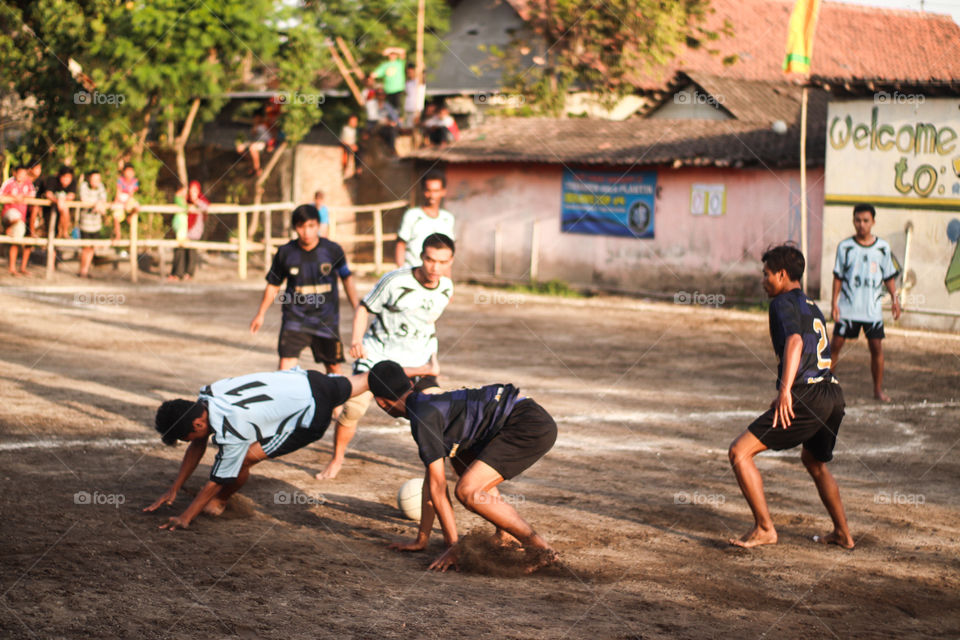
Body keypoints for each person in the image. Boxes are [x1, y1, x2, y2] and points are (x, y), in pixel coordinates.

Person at [371, 360, 559, 573]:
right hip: (524, 415)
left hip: (527, 425)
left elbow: (438, 489)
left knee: (467, 491)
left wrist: (453, 548)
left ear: (381, 403)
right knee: (461, 461)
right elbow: (431, 484)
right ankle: (505, 535)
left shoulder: (422, 418)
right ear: (410, 385)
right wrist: (421, 539)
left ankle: (542, 551)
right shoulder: (425, 403)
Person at [727, 244, 854, 550]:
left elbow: (795, 343)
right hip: (832, 394)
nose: (763, 280)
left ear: (782, 275)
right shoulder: (812, 305)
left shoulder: (781, 302)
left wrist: (786, 391)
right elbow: (811, 351)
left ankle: (765, 528)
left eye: (766, 273)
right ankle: (843, 534)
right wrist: (788, 390)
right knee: (814, 461)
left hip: (810, 395)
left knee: (739, 453)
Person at [143, 367, 371, 530]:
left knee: (242, 459)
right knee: (370, 379)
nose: (189, 442)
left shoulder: (233, 429)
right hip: (309, 380)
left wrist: (186, 517)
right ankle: (404, 382)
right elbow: (197, 443)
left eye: (186, 437)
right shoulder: (208, 394)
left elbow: (218, 478)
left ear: (198, 424)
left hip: (310, 418)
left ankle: (221, 501)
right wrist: (175, 487)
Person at [317, 233, 455, 480]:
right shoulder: (394, 280)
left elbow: (427, 320)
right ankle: (337, 459)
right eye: (430, 260)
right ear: (421, 256)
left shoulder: (446, 287)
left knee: (440, 411)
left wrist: (430, 358)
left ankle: (452, 468)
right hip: (377, 357)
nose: (435, 267)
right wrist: (357, 340)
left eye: (443, 262)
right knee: (353, 409)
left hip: (418, 362)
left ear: (451, 261)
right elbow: (363, 308)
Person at [250, 204, 359, 373]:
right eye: (301, 226)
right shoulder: (285, 253)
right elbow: (273, 285)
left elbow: (347, 280)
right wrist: (260, 314)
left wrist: (357, 309)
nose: (306, 232)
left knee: (334, 370)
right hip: (295, 319)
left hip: (326, 321)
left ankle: (336, 400)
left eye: (311, 226)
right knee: (284, 371)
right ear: (295, 227)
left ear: (318, 225)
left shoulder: (332, 250)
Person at [830, 203, 901, 402]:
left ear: (873, 222)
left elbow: (889, 277)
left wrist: (895, 300)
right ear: (853, 221)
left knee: (876, 347)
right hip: (848, 307)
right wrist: (834, 303)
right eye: (858, 220)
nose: (861, 225)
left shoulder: (883, 248)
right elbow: (838, 277)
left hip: (871, 310)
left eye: (865, 221)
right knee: (835, 345)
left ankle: (877, 390)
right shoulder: (845, 247)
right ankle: (827, 385)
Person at [395, 173, 456, 268]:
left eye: (436, 191)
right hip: (413, 272)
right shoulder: (412, 215)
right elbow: (401, 245)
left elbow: (447, 252)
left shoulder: (448, 218)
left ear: (443, 191)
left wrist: (447, 279)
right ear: (423, 191)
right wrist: (401, 271)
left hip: (435, 275)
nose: (432, 195)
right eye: (428, 191)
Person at [169, 180, 209, 281]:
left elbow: (206, 207)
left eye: (195, 190)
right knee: (179, 250)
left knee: (191, 252)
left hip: (195, 231)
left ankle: (189, 273)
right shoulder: (185, 200)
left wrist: (196, 202)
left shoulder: (201, 200)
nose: (192, 192)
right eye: (191, 190)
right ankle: (178, 273)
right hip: (183, 229)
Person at [1, 165, 37, 276]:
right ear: (15, 173)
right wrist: (13, 198)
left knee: (19, 239)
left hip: (23, 217)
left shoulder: (28, 184)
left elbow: (33, 196)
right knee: (17, 227)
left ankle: (20, 268)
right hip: (9, 214)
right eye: (20, 173)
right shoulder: (9, 182)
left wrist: (23, 196)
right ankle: (7, 227)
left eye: (24, 173)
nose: (21, 176)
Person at [77, 169, 113, 278]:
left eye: (98, 179)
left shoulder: (101, 187)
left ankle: (86, 269)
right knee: (85, 247)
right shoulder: (84, 186)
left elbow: (103, 200)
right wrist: (96, 204)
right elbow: (84, 199)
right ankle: (82, 270)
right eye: (94, 179)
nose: (96, 181)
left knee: (92, 247)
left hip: (96, 223)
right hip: (85, 223)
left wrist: (99, 204)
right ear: (89, 179)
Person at [41, 166, 76, 264]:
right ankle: (50, 264)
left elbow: (72, 196)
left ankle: (64, 231)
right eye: (64, 177)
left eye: (68, 178)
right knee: (51, 235)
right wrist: (58, 201)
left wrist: (61, 201)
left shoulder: (73, 182)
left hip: (62, 211)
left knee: (64, 208)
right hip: (49, 212)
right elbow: (48, 194)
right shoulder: (52, 180)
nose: (66, 180)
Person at [235, 112, 272, 177]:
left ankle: (257, 167)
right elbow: (253, 136)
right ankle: (252, 161)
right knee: (239, 148)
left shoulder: (264, 125)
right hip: (255, 142)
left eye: (256, 118)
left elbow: (267, 137)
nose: (255, 119)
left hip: (262, 143)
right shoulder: (256, 126)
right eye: (254, 118)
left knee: (252, 147)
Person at [111, 163, 140, 234]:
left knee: (137, 207)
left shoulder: (134, 181)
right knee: (116, 216)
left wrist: (126, 202)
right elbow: (118, 192)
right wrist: (117, 201)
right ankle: (117, 233)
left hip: (129, 198)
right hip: (121, 197)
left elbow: (131, 193)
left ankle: (129, 216)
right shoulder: (120, 180)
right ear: (124, 172)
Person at [403, 64, 424, 131]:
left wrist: (421, 68)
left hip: (416, 109)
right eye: (408, 72)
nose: (410, 74)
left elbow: (423, 77)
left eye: (411, 72)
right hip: (408, 108)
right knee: (408, 128)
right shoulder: (406, 83)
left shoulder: (419, 82)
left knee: (416, 129)